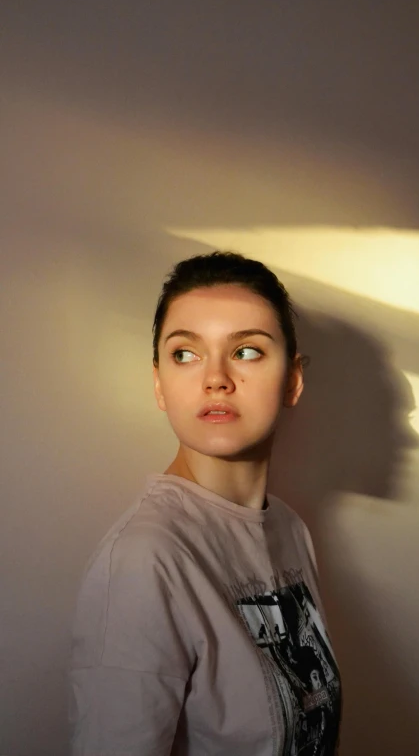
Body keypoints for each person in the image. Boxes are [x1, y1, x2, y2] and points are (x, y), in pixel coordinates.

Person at [68, 251, 342, 755]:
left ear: (293, 380)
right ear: (158, 383)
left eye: (247, 352)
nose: (215, 378)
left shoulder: (288, 528)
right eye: (185, 354)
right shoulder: (143, 561)